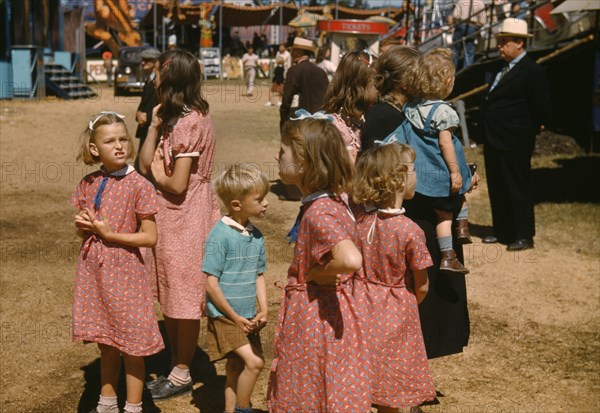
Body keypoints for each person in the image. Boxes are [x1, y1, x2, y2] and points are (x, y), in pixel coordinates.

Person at [362, 45, 474, 359]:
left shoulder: (411, 112)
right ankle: (404, 380)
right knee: (418, 302)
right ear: (406, 79)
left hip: (428, 215)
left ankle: (415, 371)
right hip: (416, 220)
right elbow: (384, 173)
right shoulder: (388, 118)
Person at [268, 113, 371, 412]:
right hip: (335, 315)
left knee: (309, 387)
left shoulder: (319, 212)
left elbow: (350, 258)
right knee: (330, 385)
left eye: (284, 149)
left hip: (317, 320)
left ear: (304, 163)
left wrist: (316, 273)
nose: (278, 154)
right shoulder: (334, 201)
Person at [138, 49, 221, 400]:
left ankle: (183, 370)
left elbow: (176, 184)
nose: (155, 79)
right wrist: (155, 128)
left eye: (161, 74)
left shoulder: (190, 123)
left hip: (187, 214)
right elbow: (142, 165)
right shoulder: (172, 119)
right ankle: (176, 361)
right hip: (170, 215)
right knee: (172, 287)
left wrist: (159, 171)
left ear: (173, 80)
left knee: (185, 290)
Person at [72, 112, 164, 413]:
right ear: (95, 148)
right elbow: (82, 230)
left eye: (123, 138)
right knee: (107, 342)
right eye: (110, 141)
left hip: (125, 273)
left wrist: (112, 234)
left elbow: (149, 237)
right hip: (94, 271)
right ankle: (107, 403)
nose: (119, 145)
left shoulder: (139, 185)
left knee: (132, 345)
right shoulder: (89, 182)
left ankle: (134, 406)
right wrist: (84, 225)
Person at [353, 142, 437, 413]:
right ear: (398, 179)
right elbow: (422, 285)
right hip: (397, 312)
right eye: (412, 169)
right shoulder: (410, 230)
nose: (416, 174)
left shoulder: (360, 221)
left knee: (363, 377)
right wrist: (408, 304)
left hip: (359, 307)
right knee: (392, 386)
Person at [479, 18, 551, 251]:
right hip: (494, 137)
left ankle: (523, 234)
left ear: (519, 43)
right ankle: (502, 229)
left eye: (504, 42)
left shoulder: (532, 71)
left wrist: (533, 126)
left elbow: (541, 106)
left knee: (517, 186)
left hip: (515, 139)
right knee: (498, 185)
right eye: (499, 42)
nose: (500, 47)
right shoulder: (502, 69)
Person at [203, 163, 270, 413]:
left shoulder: (257, 236)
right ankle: (243, 409)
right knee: (254, 363)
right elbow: (211, 283)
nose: (266, 203)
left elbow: (258, 276)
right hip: (226, 316)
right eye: (259, 198)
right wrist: (234, 317)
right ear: (236, 205)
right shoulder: (219, 236)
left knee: (235, 369)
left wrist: (263, 310)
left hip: (248, 315)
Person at [403, 47, 473, 274]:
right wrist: (454, 170)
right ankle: (449, 252)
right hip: (442, 172)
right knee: (450, 208)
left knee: (443, 211)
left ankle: (455, 240)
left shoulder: (411, 108)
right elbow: (445, 144)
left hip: (424, 174)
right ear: (448, 82)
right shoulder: (444, 111)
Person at [322, 50, 378, 164]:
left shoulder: (369, 116)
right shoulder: (335, 126)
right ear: (361, 84)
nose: (381, 87)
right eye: (377, 81)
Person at [362, 46, 421, 151]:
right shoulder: (387, 118)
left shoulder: (394, 112)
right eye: (421, 75)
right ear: (404, 82)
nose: (425, 81)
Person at [279, 37, 329, 129]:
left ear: (299, 52)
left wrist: (284, 119)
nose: (291, 54)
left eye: (293, 51)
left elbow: (287, 98)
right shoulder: (321, 72)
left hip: (299, 123)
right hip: (318, 123)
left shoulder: (294, 70)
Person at [134, 48, 160, 170]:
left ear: (156, 62)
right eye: (143, 60)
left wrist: (147, 116)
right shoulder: (149, 78)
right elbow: (144, 102)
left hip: (155, 129)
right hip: (145, 127)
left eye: (147, 60)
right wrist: (138, 113)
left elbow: (164, 106)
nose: (143, 62)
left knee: (147, 166)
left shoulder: (160, 81)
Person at [450, 0, 487, 70]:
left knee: (456, 50)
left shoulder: (461, 1)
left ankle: (452, 71)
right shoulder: (480, 2)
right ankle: (466, 71)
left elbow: (455, 15)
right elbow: (483, 21)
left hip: (460, 25)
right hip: (472, 27)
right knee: (469, 52)